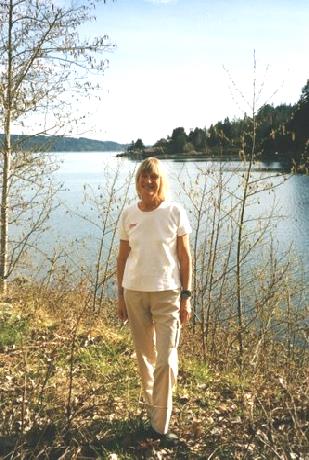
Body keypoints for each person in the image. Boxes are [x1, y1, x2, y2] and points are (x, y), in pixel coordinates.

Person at [116, 157, 192, 443]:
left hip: (168, 295)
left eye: (154, 178)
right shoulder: (128, 214)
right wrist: (120, 296)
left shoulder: (174, 211)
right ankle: (156, 408)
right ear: (137, 182)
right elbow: (122, 258)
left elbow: (185, 257)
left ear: (161, 182)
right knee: (145, 359)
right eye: (144, 178)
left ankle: (159, 427)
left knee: (166, 361)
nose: (149, 182)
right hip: (134, 294)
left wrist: (186, 296)